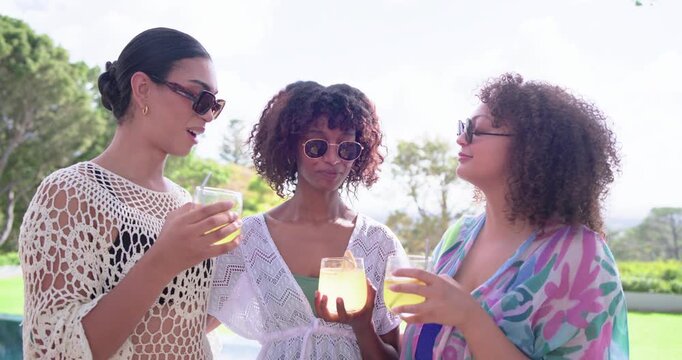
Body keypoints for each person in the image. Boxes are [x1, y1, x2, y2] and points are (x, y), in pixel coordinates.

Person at [18, 27, 241, 359]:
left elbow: (178, 325)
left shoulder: (184, 203)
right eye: (199, 97)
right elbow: (54, 350)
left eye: (215, 104)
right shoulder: (69, 194)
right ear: (142, 88)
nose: (207, 115)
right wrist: (163, 259)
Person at [392, 73, 629, 359]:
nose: (460, 138)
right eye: (463, 127)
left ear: (532, 148)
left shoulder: (581, 256)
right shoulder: (458, 237)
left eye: (476, 130)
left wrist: (470, 317)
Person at [207, 81, 405, 359]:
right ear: (290, 147)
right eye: (317, 146)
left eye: (347, 148)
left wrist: (362, 326)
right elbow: (194, 324)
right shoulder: (249, 237)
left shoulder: (379, 243)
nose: (333, 159)